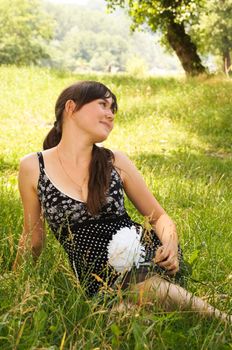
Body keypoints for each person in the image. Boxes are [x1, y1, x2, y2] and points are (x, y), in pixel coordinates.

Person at [13, 81, 231, 322]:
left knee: (142, 286)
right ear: (71, 108)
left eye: (113, 109)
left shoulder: (114, 161)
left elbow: (160, 217)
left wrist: (170, 244)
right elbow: (33, 239)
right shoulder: (34, 166)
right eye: (103, 105)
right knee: (122, 319)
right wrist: (15, 285)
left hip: (141, 257)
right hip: (94, 279)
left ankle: (221, 320)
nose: (110, 114)